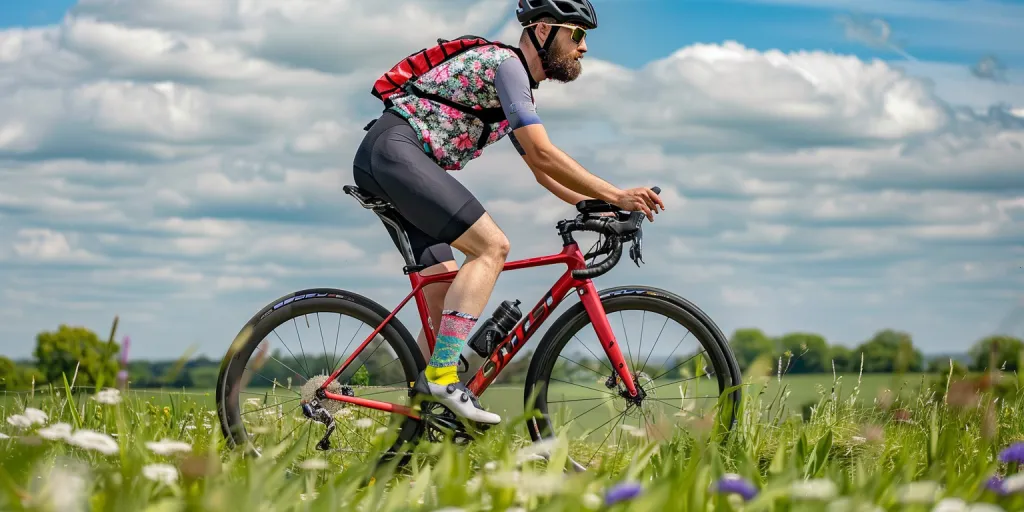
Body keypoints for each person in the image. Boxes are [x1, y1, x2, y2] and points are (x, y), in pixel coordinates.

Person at [351, 0, 664, 425]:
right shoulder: (508, 66)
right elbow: (543, 152)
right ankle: (442, 378)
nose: (584, 47)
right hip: (395, 153)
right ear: (541, 31)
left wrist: (598, 206)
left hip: (394, 160)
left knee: (443, 305)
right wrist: (619, 193)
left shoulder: (514, 85)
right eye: (577, 34)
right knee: (491, 247)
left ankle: (413, 432)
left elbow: (540, 170)